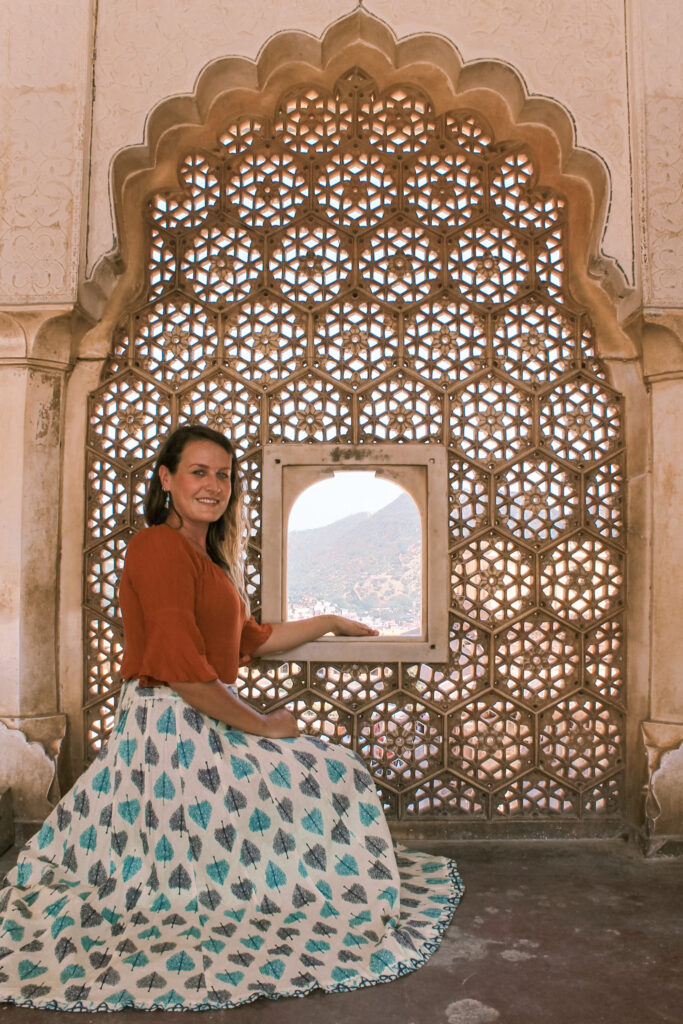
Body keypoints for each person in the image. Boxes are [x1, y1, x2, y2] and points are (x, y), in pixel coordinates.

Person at [0, 425, 463, 1012]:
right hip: (172, 731)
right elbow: (181, 668)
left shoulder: (204, 557)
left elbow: (248, 639)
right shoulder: (158, 546)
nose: (213, 485)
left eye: (223, 475)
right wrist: (265, 725)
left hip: (200, 718)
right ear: (166, 480)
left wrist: (328, 621)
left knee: (326, 771)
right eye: (199, 472)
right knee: (329, 772)